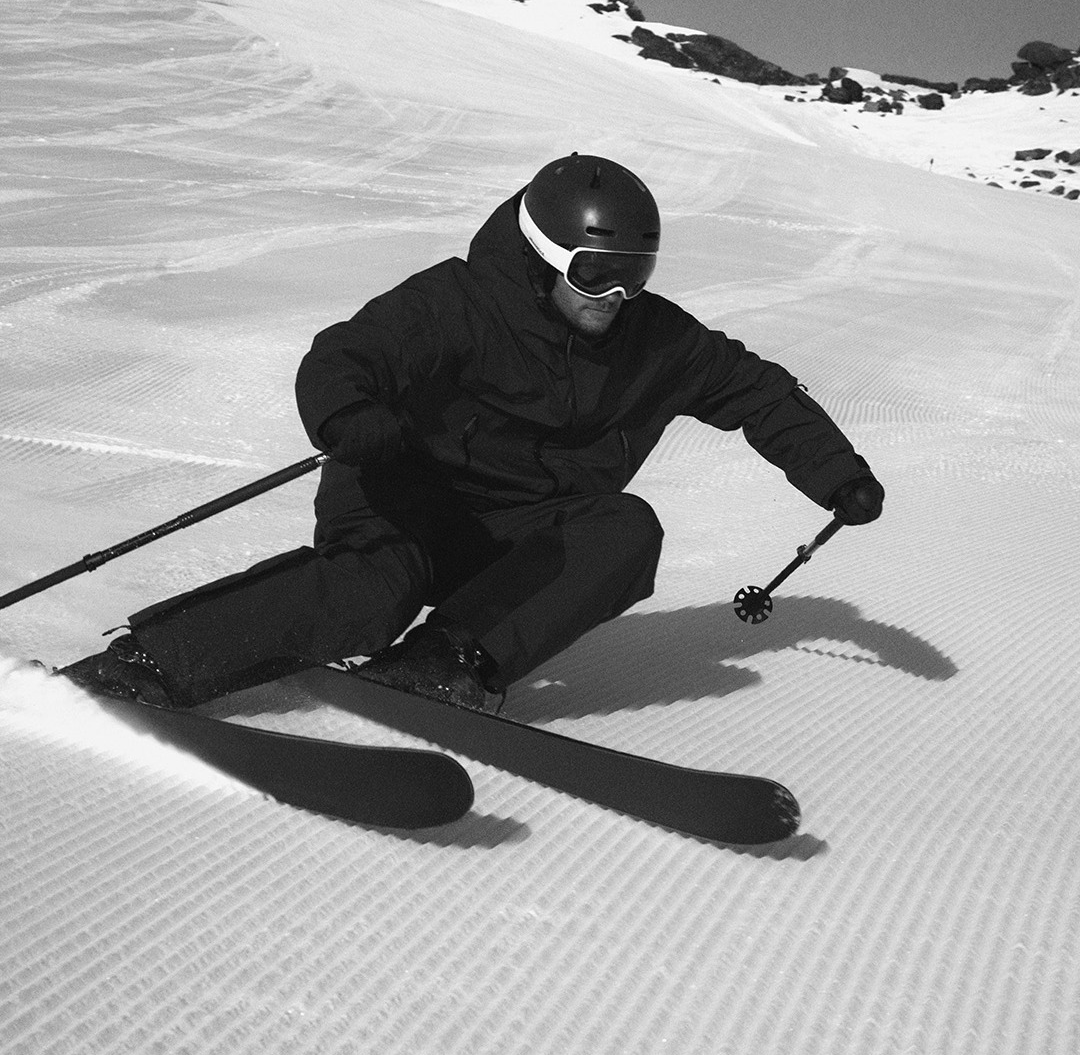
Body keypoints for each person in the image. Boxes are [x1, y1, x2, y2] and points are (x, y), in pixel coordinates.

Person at [62, 154, 883, 712]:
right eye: (595, 274)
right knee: (364, 597)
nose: (615, 297)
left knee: (625, 531)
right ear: (544, 252)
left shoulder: (655, 339)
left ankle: (441, 668)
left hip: (525, 531)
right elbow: (349, 353)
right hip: (408, 506)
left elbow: (757, 391)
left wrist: (835, 475)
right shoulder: (459, 301)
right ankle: (146, 667)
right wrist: (353, 417)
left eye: (635, 276)